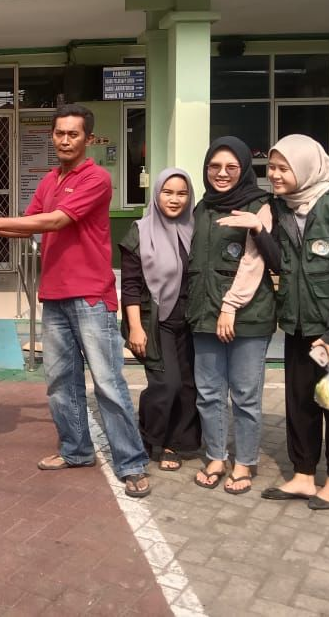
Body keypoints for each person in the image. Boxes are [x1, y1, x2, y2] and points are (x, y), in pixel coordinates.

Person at [0, 105, 151, 498]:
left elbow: (56, 220)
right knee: (61, 382)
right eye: (59, 133)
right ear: (52, 136)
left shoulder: (97, 178)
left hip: (91, 297)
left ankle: (132, 463)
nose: (64, 140)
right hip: (55, 296)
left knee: (108, 383)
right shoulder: (49, 181)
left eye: (73, 134)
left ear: (88, 139)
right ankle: (76, 450)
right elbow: (29, 225)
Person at [225, 135, 329, 510]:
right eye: (271, 167)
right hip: (299, 324)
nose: (273, 175)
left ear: (305, 168)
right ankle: (303, 475)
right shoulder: (282, 207)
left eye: (282, 168)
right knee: (301, 402)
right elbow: (279, 263)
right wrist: (258, 230)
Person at [187, 137, 275, 495]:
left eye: (231, 167)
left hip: (247, 316)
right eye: (214, 166)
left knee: (245, 393)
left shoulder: (260, 206)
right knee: (209, 392)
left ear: (244, 169)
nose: (221, 173)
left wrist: (230, 306)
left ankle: (245, 462)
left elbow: (257, 263)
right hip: (204, 313)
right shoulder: (202, 208)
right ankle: (216, 456)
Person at [119, 168, 201, 472]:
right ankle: (147, 434)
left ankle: (173, 443)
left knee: (188, 386)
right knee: (167, 384)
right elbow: (130, 285)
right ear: (156, 194)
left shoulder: (196, 230)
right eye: (167, 192)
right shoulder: (139, 231)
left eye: (182, 193)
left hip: (192, 321)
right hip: (155, 322)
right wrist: (135, 327)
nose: (174, 199)